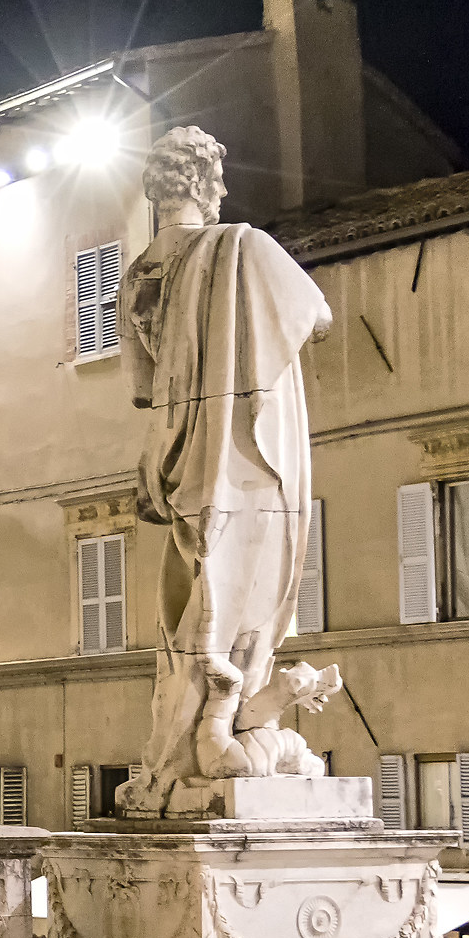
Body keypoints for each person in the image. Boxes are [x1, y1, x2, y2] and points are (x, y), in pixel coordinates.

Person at [116, 125, 336, 815]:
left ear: (154, 190)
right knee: (246, 598)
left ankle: (179, 748)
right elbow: (318, 315)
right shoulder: (244, 246)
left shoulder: (135, 277)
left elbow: (144, 387)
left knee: (194, 606)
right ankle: (217, 734)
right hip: (248, 455)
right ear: (209, 186)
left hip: (180, 458)